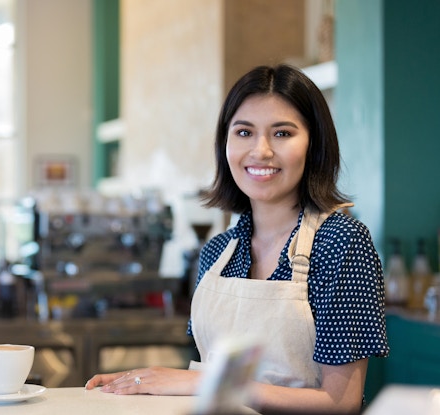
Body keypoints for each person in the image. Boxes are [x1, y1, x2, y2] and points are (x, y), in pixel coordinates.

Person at [85, 64, 389, 414]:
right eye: (244, 132)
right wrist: (150, 386)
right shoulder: (217, 253)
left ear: (314, 144)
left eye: (282, 133)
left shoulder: (341, 242)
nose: (260, 151)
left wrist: (204, 381)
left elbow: (342, 402)